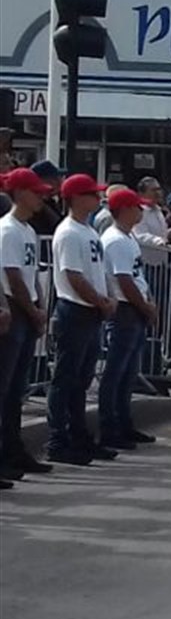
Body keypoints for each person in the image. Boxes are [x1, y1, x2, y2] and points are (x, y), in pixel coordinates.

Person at [46, 175, 116, 464]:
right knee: (66, 378)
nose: (97, 199)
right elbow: (73, 275)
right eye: (90, 194)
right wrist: (99, 300)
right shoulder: (68, 232)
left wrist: (106, 299)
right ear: (75, 198)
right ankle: (58, 440)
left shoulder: (88, 231)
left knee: (81, 379)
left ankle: (79, 436)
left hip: (91, 311)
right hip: (75, 309)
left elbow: (98, 271)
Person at [98, 186, 160, 451]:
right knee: (117, 371)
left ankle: (124, 423)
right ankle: (109, 427)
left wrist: (148, 302)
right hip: (125, 309)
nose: (141, 211)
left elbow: (137, 276)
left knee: (128, 371)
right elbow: (123, 280)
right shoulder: (116, 240)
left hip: (134, 307)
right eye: (137, 207)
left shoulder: (128, 237)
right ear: (124, 210)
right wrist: (144, 306)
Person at [0, 169, 51, 481]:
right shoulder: (7, 230)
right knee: (4, 387)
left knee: (16, 389)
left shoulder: (28, 230)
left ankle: (13, 449)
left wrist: (40, 306)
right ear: (19, 193)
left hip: (28, 310)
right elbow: (13, 276)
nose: (41, 197)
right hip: (15, 309)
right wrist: (31, 310)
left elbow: (31, 275)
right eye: (35, 192)